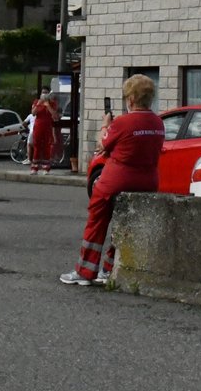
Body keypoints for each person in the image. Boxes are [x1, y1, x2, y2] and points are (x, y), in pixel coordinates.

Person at [61, 74, 165, 287]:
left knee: (97, 222)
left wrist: (105, 125)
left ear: (131, 99)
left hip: (116, 180)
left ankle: (85, 271)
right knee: (125, 225)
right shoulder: (158, 122)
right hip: (148, 180)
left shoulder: (123, 122)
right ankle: (110, 269)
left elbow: (102, 145)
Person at [28, 87, 59, 174]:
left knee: (47, 146)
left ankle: (46, 167)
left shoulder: (52, 103)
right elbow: (33, 113)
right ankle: (34, 167)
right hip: (38, 126)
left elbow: (55, 116)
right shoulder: (37, 102)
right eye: (43, 92)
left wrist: (48, 105)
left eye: (46, 92)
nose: (44, 94)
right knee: (37, 146)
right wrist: (39, 104)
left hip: (48, 127)